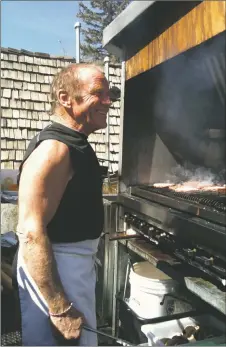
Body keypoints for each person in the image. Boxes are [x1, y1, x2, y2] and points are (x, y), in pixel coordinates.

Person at [14, 63, 111, 346]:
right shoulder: (55, 149)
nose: (108, 102)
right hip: (57, 272)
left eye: (109, 94)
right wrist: (60, 308)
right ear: (65, 98)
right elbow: (31, 233)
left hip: (72, 268)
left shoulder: (75, 142)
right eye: (98, 93)